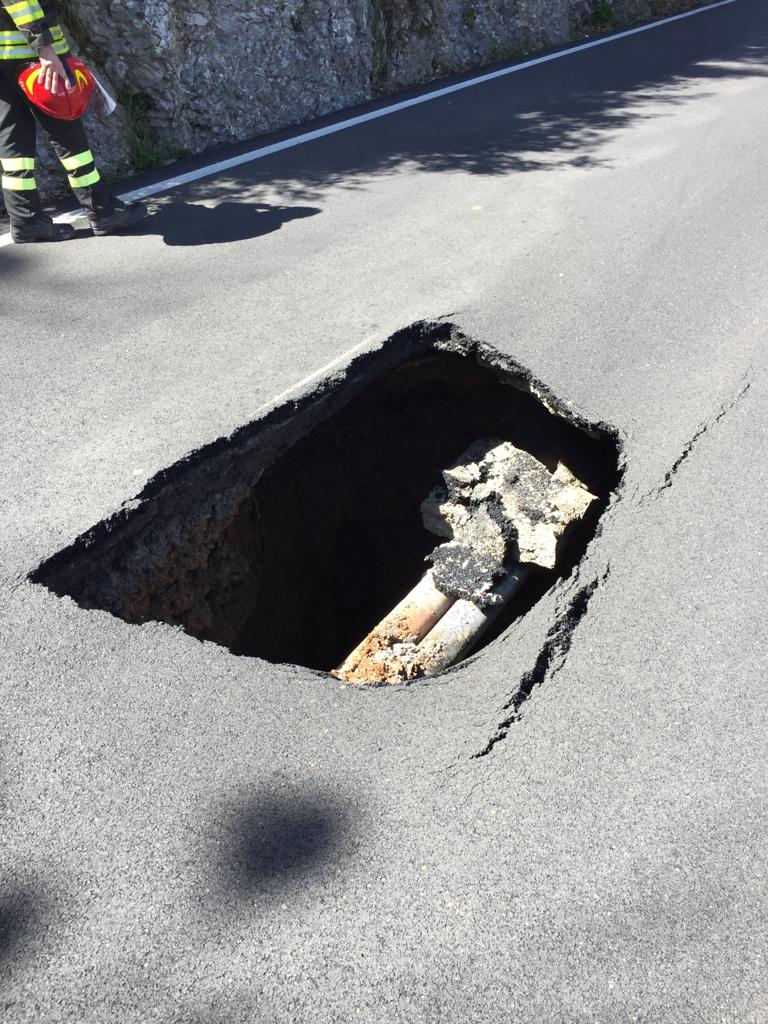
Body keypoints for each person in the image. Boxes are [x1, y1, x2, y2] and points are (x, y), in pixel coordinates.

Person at [0, 0, 147, 242]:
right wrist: (44, 47)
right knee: (67, 131)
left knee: (13, 141)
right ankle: (103, 211)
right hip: (29, 53)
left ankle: (26, 220)